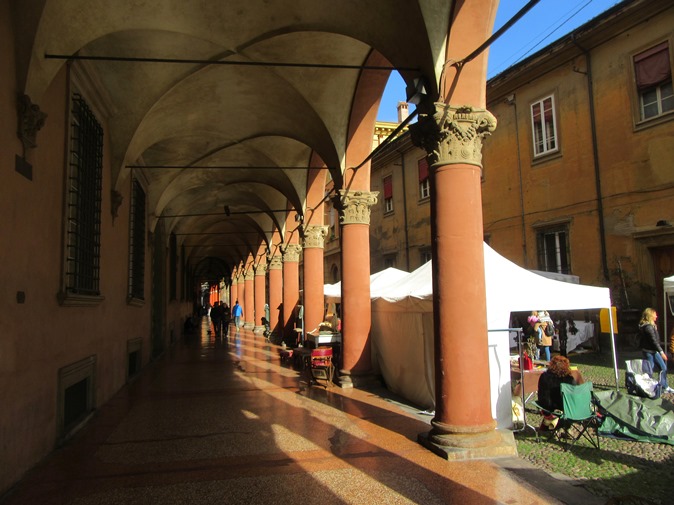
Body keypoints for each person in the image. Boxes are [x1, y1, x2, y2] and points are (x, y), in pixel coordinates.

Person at [639, 307, 673, 393]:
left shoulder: (651, 326)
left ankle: (664, 386)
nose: (656, 316)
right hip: (649, 352)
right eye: (655, 315)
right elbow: (654, 341)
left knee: (663, 368)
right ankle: (646, 387)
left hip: (653, 351)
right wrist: (661, 352)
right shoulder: (648, 327)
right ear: (650, 316)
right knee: (649, 370)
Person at [537, 355, 576, 429]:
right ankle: (563, 426)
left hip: (547, 406)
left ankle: (551, 423)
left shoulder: (544, 376)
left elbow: (541, 394)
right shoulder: (569, 379)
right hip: (566, 407)